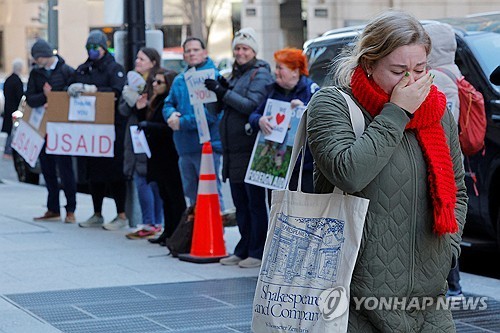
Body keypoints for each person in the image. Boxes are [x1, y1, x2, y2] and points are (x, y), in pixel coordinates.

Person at [306, 10, 468, 331]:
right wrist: (396, 112)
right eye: (398, 71)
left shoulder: (436, 111)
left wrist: (446, 253)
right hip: (354, 300)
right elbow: (349, 173)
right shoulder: (333, 104)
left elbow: (457, 190)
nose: (411, 80)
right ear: (368, 64)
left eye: (420, 69)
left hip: (429, 298)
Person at [204, 28, 273, 268]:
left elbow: (251, 105)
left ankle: (257, 249)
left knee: (254, 203)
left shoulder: (260, 74)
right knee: (240, 204)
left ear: (253, 51)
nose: (240, 52)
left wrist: (224, 91)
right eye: (237, 48)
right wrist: (218, 92)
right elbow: (222, 108)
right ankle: (243, 247)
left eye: (245, 48)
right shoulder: (235, 75)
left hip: (251, 148)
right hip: (233, 151)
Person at [68, 30, 128, 230]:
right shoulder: (84, 69)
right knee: (94, 174)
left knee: (114, 172)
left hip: (111, 129)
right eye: (89, 48)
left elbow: (118, 92)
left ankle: (121, 214)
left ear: (103, 47)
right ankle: (97, 213)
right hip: (90, 131)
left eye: (95, 47)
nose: (92, 51)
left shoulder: (114, 68)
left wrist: (94, 91)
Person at [425, 22, 465, 299]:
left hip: (441, 161)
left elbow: (440, 122)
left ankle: (452, 285)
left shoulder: (437, 78)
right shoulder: (453, 72)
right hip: (451, 158)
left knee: (442, 221)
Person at [162, 37, 224, 210]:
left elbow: (210, 114)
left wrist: (182, 122)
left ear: (204, 52)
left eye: (195, 50)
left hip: (207, 146)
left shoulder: (213, 78)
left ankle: (216, 236)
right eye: (188, 51)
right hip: (183, 147)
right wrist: (171, 114)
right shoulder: (180, 80)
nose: (192, 54)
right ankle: (196, 234)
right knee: (191, 196)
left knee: (212, 194)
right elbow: (168, 103)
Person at [248, 48, 319, 193]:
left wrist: (304, 110)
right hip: (275, 170)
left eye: (280, 68)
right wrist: (259, 120)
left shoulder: (311, 91)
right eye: (276, 67)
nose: (275, 72)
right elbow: (253, 115)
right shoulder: (273, 91)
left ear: (295, 71)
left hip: (302, 170)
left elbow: (322, 123)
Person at [26, 39, 77, 224]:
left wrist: (53, 98)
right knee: (47, 169)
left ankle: (70, 209)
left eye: (37, 58)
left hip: (62, 127)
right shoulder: (36, 74)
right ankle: (53, 208)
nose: (36, 61)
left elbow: (71, 95)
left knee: (65, 170)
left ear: (44, 56)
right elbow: (30, 99)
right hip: (44, 128)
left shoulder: (66, 71)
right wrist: (44, 97)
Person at [135, 69, 186, 242]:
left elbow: (166, 128)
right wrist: (141, 112)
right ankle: (168, 231)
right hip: (156, 154)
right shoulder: (155, 101)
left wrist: (148, 124)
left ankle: (175, 233)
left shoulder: (168, 103)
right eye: (154, 82)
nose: (155, 85)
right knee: (164, 193)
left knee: (174, 195)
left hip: (169, 154)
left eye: (159, 82)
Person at [119, 47, 164, 239]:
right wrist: (131, 101)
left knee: (149, 179)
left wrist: (143, 105)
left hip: (150, 135)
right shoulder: (131, 83)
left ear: (153, 62)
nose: (137, 62)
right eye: (137, 58)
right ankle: (151, 222)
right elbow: (122, 110)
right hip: (135, 136)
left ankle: (154, 222)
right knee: (141, 177)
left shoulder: (156, 82)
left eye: (142, 59)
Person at [2, 58, 24, 159]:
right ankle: (9, 151)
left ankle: (9, 150)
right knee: (13, 130)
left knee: (11, 130)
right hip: (15, 110)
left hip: (8, 108)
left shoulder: (8, 79)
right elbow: (20, 96)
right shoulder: (16, 81)